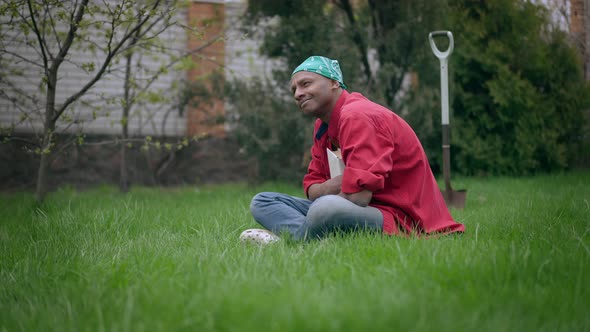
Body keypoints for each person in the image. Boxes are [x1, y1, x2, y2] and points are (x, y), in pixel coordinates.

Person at [240, 55, 465, 244]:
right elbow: (311, 187)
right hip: (351, 204)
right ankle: (314, 237)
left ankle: (295, 240)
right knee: (263, 202)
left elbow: (359, 197)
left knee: (325, 208)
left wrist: (330, 193)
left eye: (306, 84)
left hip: (401, 218)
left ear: (334, 83)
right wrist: (337, 184)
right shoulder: (323, 126)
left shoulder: (358, 116)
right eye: (294, 89)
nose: (297, 93)